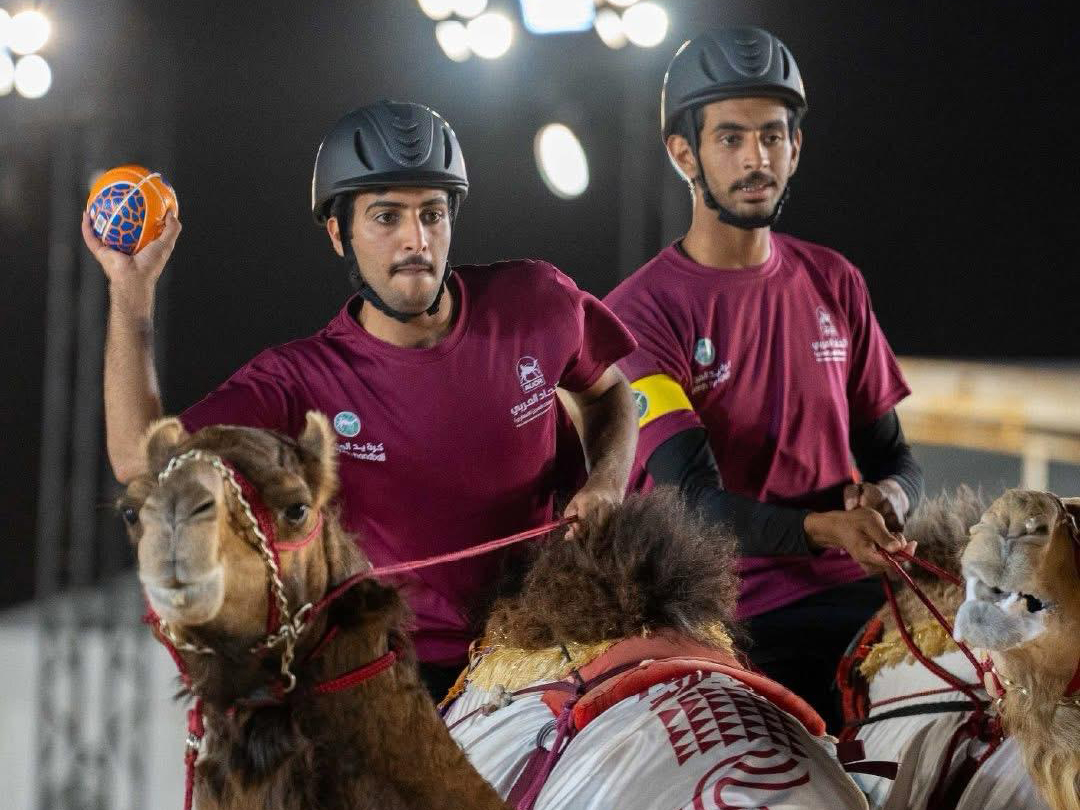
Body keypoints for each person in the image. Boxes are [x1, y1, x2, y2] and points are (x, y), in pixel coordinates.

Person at [85, 99, 638, 699]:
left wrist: (607, 481)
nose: (415, 241)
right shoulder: (300, 380)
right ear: (337, 233)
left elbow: (608, 393)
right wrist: (132, 295)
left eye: (432, 214)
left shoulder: (538, 299)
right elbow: (139, 464)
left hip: (548, 649)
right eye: (385, 218)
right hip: (395, 676)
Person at [603, 27, 923, 730]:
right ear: (682, 151)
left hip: (863, 598)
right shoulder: (637, 314)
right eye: (731, 139)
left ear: (797, 147)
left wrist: (892, 499)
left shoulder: (835, 281)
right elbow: (693, 505)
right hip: (726, 617)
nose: (758, 159)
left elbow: (895, 460)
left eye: (774, 138)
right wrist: (829, 529)